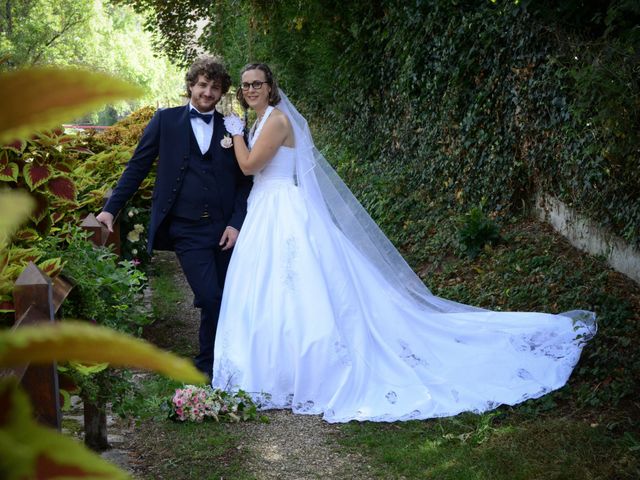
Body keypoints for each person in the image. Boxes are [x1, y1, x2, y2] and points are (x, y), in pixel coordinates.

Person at [212, 63, 596, 423]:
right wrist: (241, 133)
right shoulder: (260, 118)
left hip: (282, 207)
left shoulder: (277, 120)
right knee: (273, 290)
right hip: (264, 207)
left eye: (256, 84)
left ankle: (306, 372)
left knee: (298, 286)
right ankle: (276, 371)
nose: (250, 90)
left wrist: (235, 136)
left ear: (270, 87)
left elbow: (249, 166)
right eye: (245, 85)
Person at [96, 56, 252, 378]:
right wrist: (111, 208)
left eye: (215, 87)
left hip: (224, 227)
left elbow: (244, 182)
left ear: (222, 92)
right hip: (186, 228)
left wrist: (235, 223)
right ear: (191, 86)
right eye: (203, 85)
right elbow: (137, 166)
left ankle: (213, 364)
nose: (208, 92)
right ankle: (208, 363)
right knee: (210, 295)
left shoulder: (232, 128)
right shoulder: (165, 121)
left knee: (226, 296)